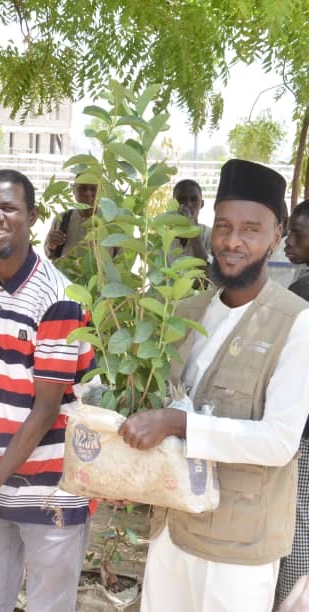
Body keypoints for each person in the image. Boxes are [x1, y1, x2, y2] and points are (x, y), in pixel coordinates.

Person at [118, 159, 309, 612]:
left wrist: (177, 423)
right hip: (172, 529)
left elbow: (279, 442)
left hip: (239, 549)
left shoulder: (297, 322)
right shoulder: (187, 311)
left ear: (276, 234)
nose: (232, 241)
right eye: (223, 226)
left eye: (250, 228)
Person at [0, 169, 96, 611]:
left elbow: (46, 407)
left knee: (48, 605)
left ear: (32, 217)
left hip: (51, 485)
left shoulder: (57, 296)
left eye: (8, 207)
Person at [277, 198, 309, 605]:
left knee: (299, 520)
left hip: (304, 430)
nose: (288, 240)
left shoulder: (303, 290)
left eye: (299, 235)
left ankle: (291, 600)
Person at [44, 176, 98, 260]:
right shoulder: (62, 218)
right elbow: (49, 253)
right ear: (74, 190)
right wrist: (51, 245)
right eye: (82, 188)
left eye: (93, 189)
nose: (88, 193)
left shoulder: (110, 221)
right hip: (64, 272)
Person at [171, 179, 212, 263]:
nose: (188, 204)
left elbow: (211, 273)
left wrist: (192, 231)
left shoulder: (211, 235)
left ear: (202, 204)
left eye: (194, 199)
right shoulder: (163, 237)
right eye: (181, 199)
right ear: (173, 204)